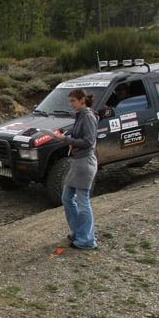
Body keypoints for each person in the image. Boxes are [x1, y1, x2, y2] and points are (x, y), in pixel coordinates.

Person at [53, 88, 98, 250]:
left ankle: (87, 240)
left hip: (85, 163)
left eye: (73, 101)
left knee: (83, 201)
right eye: (70, 101)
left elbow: (89, 141)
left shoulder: (88, 116)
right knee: (67, 198)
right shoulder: (81, 115)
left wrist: (66, 139)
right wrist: (67, 136)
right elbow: (79, 135)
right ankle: (79, 232)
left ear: (82, 100)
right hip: (78, 162)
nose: (70, 104)